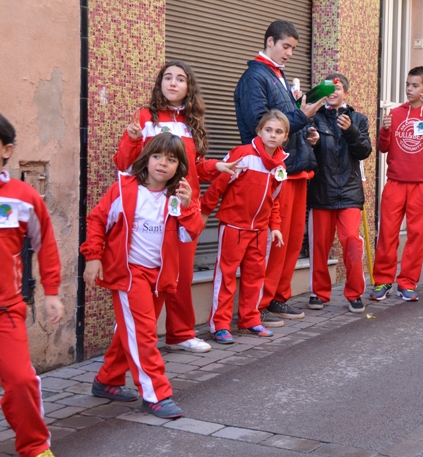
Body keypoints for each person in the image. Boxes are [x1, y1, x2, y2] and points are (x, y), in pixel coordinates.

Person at [114, 61, 240, 353]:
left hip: (183, 210)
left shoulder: (192, 124)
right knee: (144, 271)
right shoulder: (145, 117)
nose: (173, 83)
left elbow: (193, 168)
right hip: (148, 210)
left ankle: (180, 334)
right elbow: (124, 164)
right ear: (160, 84)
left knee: (180, 275)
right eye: (167, 78)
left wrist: (217, 166)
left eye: (180, 79)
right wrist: (133, 140)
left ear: (188, 87)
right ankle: (132, 334)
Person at [84, 133, 204, 419]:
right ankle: (156, 394)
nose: (163, 163)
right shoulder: (124, 189)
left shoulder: (179, 196)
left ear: (179, 166)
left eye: (172, 159)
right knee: (144, 334)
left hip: (161, 277)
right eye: (158, 156)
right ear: (146, 159)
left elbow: (190, 234)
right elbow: (97, 220)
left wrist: (188, 207)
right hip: (129, 274)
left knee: (133, 331)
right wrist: (93, 257)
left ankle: (107, 380)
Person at [234, 20, 324, 325]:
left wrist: (307, 131)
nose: (289, 53)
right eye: (286, 46)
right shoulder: (255, 77)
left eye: (293, 48)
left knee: (291, 239)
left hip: (294, 167)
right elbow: (262, 123)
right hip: (271, 170)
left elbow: (286, 123)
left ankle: (277, 298)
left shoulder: (277, 75)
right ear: (270, 41)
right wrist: (302, 116)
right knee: (274, 240)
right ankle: (259, 304)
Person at [0, 114, 65, 457]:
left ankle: (34, 447)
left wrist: (51, 291)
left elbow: (46, 245)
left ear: (6, 150)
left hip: (6, 310)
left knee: (21, 381)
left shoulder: (22, 197)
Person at [201, 111, 289, 344]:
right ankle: (219, 325)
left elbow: (275, 200)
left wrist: (275, 226)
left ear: (285, 137)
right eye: (268, 130)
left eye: (278, 132)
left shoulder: (280, 165)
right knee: (226, 277)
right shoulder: (242, 155)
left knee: (255, 277)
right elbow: (218, 186)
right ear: (259, 131)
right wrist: (203, 213)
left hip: (260, 231)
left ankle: (250, 320)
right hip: (233, 226)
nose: (273, 135)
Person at [370, 67, 423, 302]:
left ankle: (408, 283)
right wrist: (384, 130)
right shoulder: (395, 113)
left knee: (416, 237)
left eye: (415, 85)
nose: (409, 89)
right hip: (394, 184)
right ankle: (382, 280)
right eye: (407, 85)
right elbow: (383, 148)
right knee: (387, 235)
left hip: (420, 187)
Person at [308, 73, 372, 312]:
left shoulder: (358, 118)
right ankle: (319, 293)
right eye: (328, 88)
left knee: (351, 243)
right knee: (320, 245)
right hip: (321, 191)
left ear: (346, 92)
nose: (333, 92)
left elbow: (364, 151)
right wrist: (311, 143)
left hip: (349, 193)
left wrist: (351, 131)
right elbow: (306, 154)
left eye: (337, 88)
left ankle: (355, 293)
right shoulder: (314, 117)